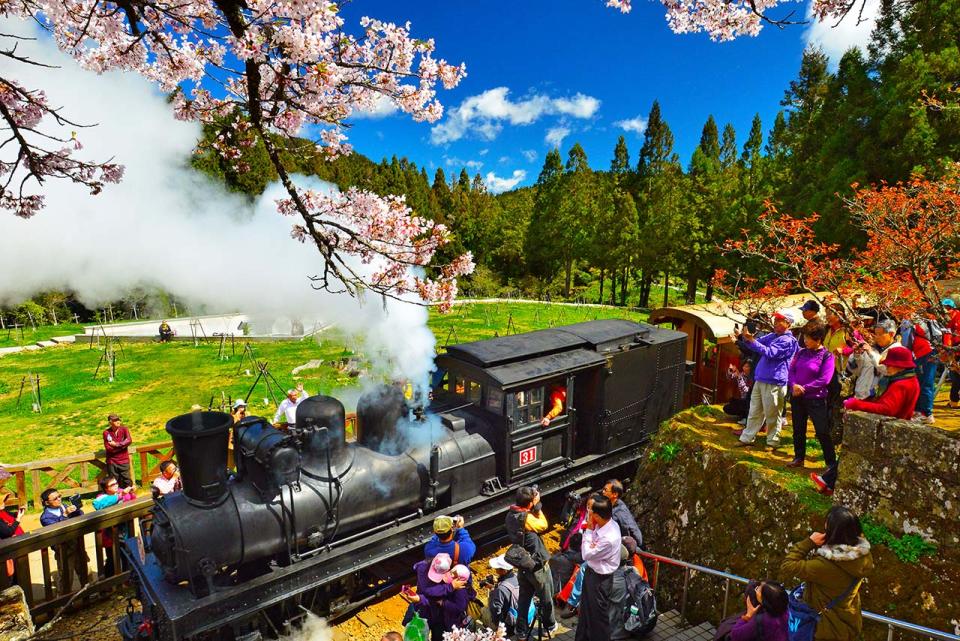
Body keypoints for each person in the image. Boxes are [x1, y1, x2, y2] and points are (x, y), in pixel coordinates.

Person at [780, 506, 874, 641]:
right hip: (847, 623)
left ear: (833, 532)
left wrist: (809, 542)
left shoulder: (825, 566)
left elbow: (787, 566)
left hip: (825, 628)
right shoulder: (863, 557)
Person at [736, 311, 799, 449]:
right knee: (754, 410)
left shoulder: (788, 340)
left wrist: (751, 341)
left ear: (788, 324)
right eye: (775, 320)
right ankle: (747, 437)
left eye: (779, 320)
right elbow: (756, 345)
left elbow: (770, 353)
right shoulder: (773, 335)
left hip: (775, 381)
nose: (775, 323)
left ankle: (772, 441)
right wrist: (746, 338)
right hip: (762, 378)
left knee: (773, 413)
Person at [504, 486, 558, 638]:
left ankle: (520, 631)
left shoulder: (510, 515)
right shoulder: (526, 518)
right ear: (528, 504)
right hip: (537, 566)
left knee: (524, 599)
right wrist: (538, 506)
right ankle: (551, 625)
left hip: (523, 564)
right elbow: (543, 525)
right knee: (546, 596)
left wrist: (531, 505)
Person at [787, 325, 836, 470]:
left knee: (822, 430)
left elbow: (824, 379)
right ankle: (799, 457)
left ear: (818, 340)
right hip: (797, 397)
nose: (805, 341)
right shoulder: (801, 353)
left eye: (808, 338)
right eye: (805, 337)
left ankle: (830, 462)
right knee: (798, 428)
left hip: (816, 398)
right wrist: (794, 385)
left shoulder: (827, 356)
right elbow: (791, 370)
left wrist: (804, 388)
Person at [574, 494, 621, 641]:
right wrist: (591, 542)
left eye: (591, 513)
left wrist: (588, 531)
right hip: (592, 572)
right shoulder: (607, 525)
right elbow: (591, 549)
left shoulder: (609, 537)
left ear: (598, 516)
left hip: (600, 579)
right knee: (586, 612)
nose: (589, 516)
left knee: (598, 618)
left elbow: (586, 554)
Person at [842, 346, 920, 420]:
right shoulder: (911, 379)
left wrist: (856, 404)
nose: (887, 368)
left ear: (900, 366)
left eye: (890, 365)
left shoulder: (901, 384)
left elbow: (887, 409)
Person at [408, 552, 470, 641]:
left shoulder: (459, 589)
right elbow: (429, 592)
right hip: (430, 611)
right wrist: (450, 587)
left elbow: (459, 607)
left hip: (443, 620)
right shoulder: (424, 570)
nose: (450, 575)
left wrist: (443, 603)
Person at [39, 488, 88, 594]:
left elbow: (80, 516)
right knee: (66, 576)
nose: (59, 499)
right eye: (55, 498)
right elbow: (57, 530)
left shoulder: (64, 506)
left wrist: (77, 508)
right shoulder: (45, 517)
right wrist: (65, 514)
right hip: (63, 550)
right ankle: (64, 601)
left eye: (59, 496)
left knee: (84, 570)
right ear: (47, 503)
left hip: (76, 543)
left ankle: (88, 594)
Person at [93, 475, 136, 577]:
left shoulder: (121, 491)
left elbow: (132, 501)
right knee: (112, 558)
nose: (116, 486)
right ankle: (108, 582)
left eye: (116, 483)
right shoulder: (101, 497)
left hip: (124, 530)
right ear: (106, 488)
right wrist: (120, 495)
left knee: (127, 555)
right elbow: (98, 505)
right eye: (112, 485)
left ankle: (127, 578)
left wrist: (132, 493)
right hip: (110, 534)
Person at [481, 555, 525, 636]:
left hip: (508, 625)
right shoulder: (516, 576)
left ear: (504, 571)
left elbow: (495, 610)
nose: (495, 570)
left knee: (483, 610)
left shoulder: (501, 589)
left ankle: (492, 631)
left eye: (497, 568)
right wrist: (495, 587)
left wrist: (492, 592)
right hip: (521, 614)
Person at [907, 316, 937, 424]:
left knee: (925, 383)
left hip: (924, 353)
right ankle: (919, 411)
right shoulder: (921, 318)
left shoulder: (910, 319)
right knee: (922, 382)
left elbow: (907, 342)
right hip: (928, 352)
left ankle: (926, 414)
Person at [602, 479, 643, 547]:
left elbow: (631, 529)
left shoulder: (620, 511)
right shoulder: (610, 506)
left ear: (615, 494)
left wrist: (635, 545)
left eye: (605, 490)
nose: (603, 492)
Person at [103, 413, 133, 489]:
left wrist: (116, 445)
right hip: (112, 461)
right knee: (114, 480)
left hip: (124, 460)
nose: (118, 421)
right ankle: (117, 496)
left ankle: (130, 495)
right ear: (110, 422)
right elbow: (108, 448)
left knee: (127, 479)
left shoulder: (124, 429)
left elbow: (129, 440)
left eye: (118, 419)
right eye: (115, 420)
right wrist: (123, 446)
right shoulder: (106, 433)